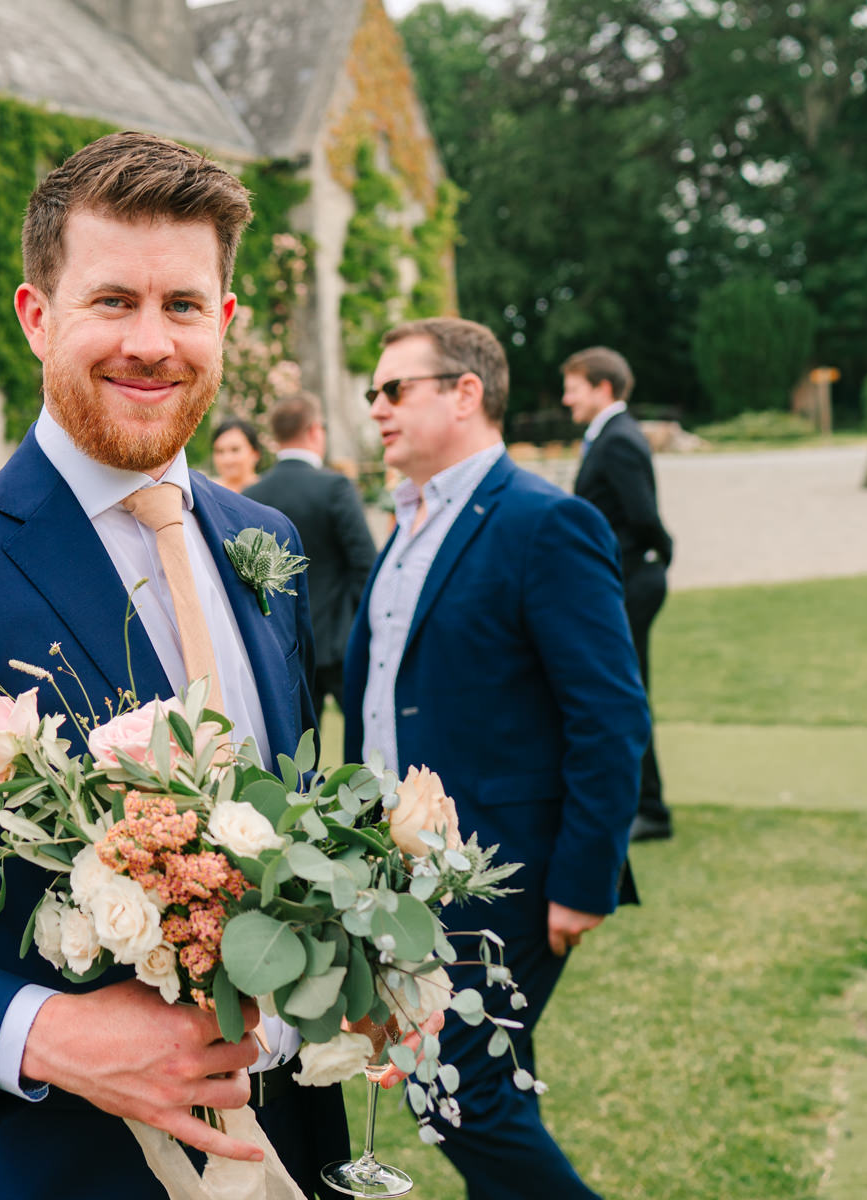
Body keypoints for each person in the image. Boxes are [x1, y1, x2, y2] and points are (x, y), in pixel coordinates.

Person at [0, 131, 347, 1200]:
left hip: (293, 1152)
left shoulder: (265, 545)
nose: (151, 341)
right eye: (111, 302)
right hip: (63, 1171)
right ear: (38, 317)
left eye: (183, 306)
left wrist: (354, 959)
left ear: (224, 324)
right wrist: (52, 1034)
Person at [341, 318, 648, 1200]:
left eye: (394, 389)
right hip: (413, 874)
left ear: (464, 392)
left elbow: (609, 713)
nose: (377, 410)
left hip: (507, 871)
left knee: (457, 1094)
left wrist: (583, 880)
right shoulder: (403, 528)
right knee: (485, 1088)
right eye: (372, 394)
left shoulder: (547, 524)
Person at [563, 347, 675, 842]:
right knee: (622, 692)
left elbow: (644, 516)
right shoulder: (604, 438)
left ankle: (650, 810)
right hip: (617, 580)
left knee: (628, 694)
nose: (567, 399)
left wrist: (659, 555)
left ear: (602, 388)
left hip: (631, 580)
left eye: (574, 387)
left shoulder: (618, 441)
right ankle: (637, 802)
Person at [244, 393, 376, 712]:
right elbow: (366, 565)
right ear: (315, 430)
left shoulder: (252, 495)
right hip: (341, 641)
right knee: (361, 746)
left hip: (285, 647)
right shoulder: (335, 488)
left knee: (299, 753)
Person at [209, 413, 264, 492]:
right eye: (220, 451)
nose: (227, 459)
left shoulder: (267, 493)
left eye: (235, 450)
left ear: (255, 453)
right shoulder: (206, 493)